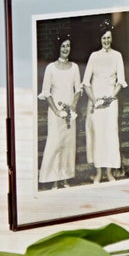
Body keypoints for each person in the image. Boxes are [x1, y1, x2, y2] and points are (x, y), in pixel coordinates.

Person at [82, 20, 127, 184]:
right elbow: (86, 82)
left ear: (112, 38)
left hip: (111, 101)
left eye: (108, 37)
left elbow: (120, 82)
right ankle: (98, 173)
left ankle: (109, 173)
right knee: (98, 135)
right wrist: (95, 101)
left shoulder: (117, 56)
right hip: (95, 102)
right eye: (103, 38)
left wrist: (108, 99)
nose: (106, 41)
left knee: (110, 135)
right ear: (100, 39)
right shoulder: (94, 56)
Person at [37, 34, 82, 189]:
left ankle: (65, 178)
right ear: (58, 48)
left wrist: (74, 105)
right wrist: (56, 110)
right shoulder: (50, 68)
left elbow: (78, 89)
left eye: (68, 46)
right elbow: (46, 92)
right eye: (63, 46)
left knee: (68, 144)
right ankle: (54, 179)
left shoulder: (75, 67)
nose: (65, 49)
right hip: (55, 112)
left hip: (70, 112)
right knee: (55, 143)